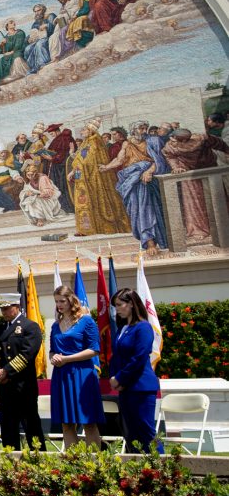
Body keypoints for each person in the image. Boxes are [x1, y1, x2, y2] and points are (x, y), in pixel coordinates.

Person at [100, 123, 169, 256]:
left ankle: (151, 243)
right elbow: (119, 160)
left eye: (145, 128)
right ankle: (148, 241)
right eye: (141, 128)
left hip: (145, 181)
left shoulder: (153, 141)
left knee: (147, 210)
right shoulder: (126, 144)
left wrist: (149, 171)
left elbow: (159, 160)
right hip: (130, 181)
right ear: (133, 131)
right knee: (136, 211)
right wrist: (107, 167)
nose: (144, 131)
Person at [109, 288, 163, 454]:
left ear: (131, 304)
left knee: (145, 431)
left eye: (119, 305)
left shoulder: (143, 327)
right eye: (115, 306)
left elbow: (139, 357)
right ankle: (138, 472)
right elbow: (117, 357)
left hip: (141, 387)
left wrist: (120, 378)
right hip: (125, 389)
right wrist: (115, 378)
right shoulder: (122, 329)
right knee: (131, 432)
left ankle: (161, 468)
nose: (117, 309)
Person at [49, 286, 104, 449]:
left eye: (62, 301)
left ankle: (95, 464)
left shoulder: (86, 320)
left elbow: (94, 349)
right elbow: (52, 350)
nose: (59, 304)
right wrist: (54, 357)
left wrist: (67, 359)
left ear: (71, 300)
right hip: (62, 376)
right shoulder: (55, 325)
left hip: (82, 375)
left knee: (89, 422)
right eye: (56, 301)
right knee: (66, 423)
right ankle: (73, 465)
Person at [0, 293, 46, 451]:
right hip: (4, 385)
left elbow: (27, 354)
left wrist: (6, 371)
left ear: (17, 307)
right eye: (2, 309)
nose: (4, 312)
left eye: (7, 308)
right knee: (8, 426)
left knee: (31, 425)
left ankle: (39, 459)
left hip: (23, 385)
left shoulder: (30, 326)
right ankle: (10, 460)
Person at [68, 118, 131, 237]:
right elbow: (79, 159)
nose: (82, 131)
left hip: (93, 178)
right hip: (86, 176)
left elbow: (86, 162)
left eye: (85, 129)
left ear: (91, 131)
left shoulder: (93, 143)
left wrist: (74, 171)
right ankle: (86, 228)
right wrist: (75, 170)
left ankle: (93, 229)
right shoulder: (87, 142)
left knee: (95, 201)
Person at [19, 162, 66, 227]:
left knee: (36, 201)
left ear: (35, 173)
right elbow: (24, 191)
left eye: (32, 175)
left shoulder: (42, 178)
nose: (30, 177)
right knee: (29, 201)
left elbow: (49, 192)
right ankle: (35, 217)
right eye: (28, 175)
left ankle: (40, 219)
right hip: (37, 197)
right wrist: (27, 193)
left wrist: (38, 194)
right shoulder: (28, 180)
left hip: (48, 199)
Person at [25, 4, 56, 73]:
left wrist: (47, 25)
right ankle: (33, 67)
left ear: (43, 10)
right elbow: (33, 32)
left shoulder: (50, 16)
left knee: (40, 44)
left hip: (49, 37)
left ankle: (43, 64)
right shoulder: (36, 22)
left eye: (38, 10)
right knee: (28, 49)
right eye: (35, 11)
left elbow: (55, 26)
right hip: (39, 39)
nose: (37, 13)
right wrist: (29, 38)